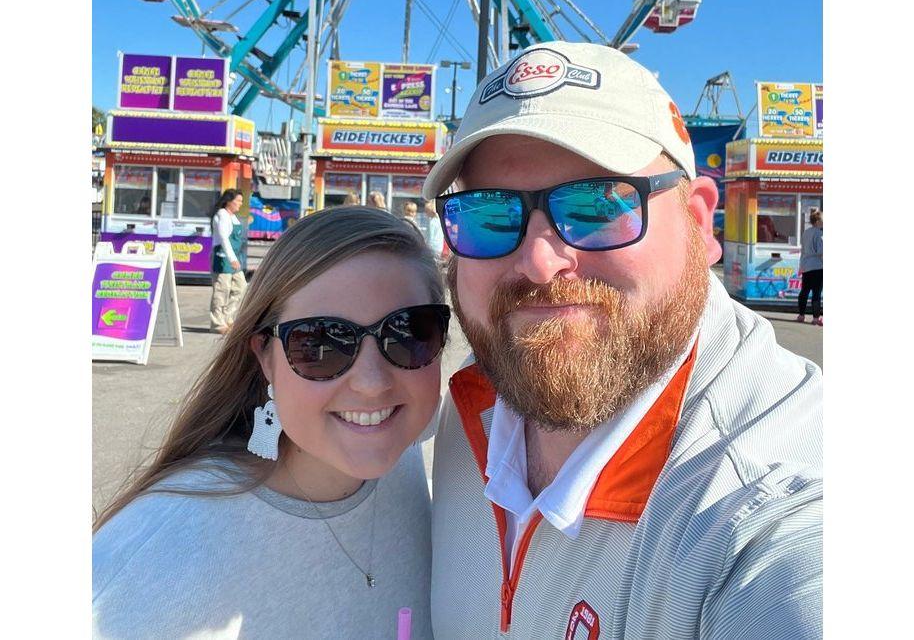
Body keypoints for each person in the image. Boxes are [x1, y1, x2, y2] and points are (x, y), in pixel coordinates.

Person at [423, 42, 822, 640]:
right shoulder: (464, 407)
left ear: (700, 222)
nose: (538, 261)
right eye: (489, 215)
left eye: (597, 205)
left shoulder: (763, 508)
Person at [93, 207, 448, 640]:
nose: (373, 384)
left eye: (410, 332)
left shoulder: (407, 463)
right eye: (320, 342)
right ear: (264, 355)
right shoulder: (146, 564)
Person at [210, 188, 248, 334]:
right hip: (222, 258)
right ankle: (217, 323)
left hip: (234, 258)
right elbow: (224, 238)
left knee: (240, 286)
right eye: (238, 201)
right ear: (228, 202)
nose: (240, 204)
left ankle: (228, 317)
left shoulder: (234, 217)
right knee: (221, 290)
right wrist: (232, 258)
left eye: (241, 201)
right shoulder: (222, 215)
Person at [797, 208, 824, 325]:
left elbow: (803, 250)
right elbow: (821, 251)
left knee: (804, 291)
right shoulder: (820, 233)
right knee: (816, 293)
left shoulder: (806, 232)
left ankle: (801, 315)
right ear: (818, 221)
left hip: (806, 265)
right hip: (818, 266)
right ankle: (815, 318)